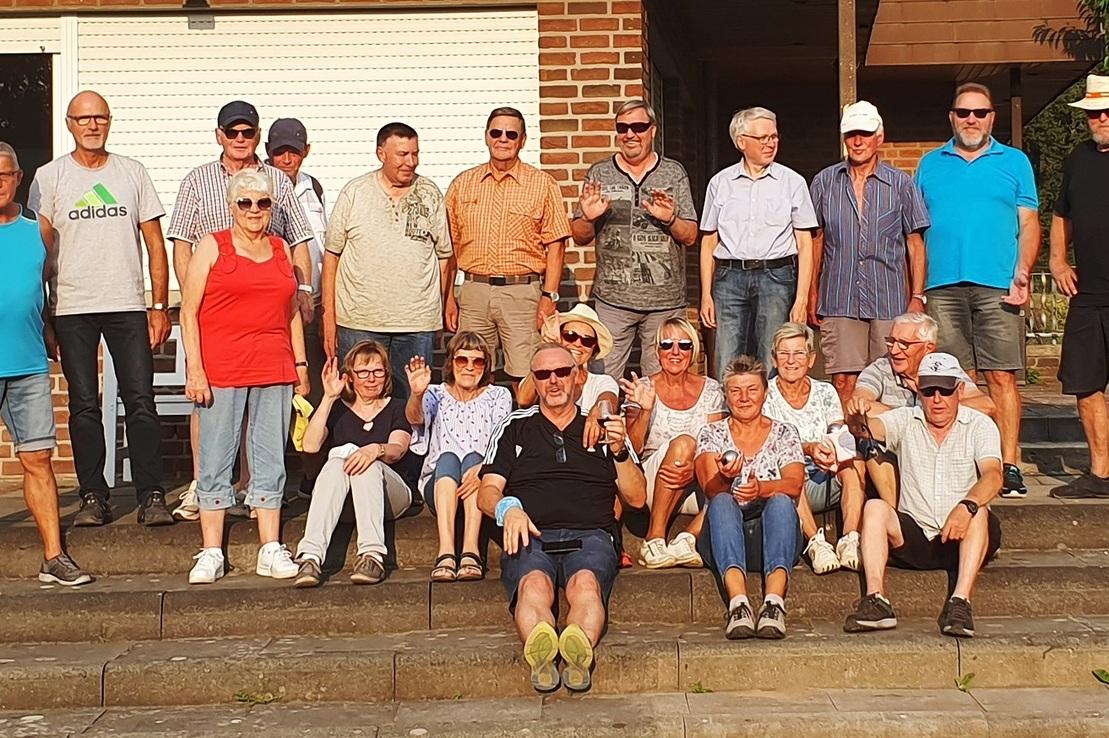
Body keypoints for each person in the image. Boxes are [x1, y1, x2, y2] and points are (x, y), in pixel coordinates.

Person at [28, 90, 173, 527]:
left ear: (109, 122)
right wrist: (45, 315)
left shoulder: (132, 172)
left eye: (100, 118)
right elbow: (41, 249)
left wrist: (159, 305)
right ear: (69, 124)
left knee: (140, 401)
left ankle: (151, 495)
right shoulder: (48, 177)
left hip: (127, 304)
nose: (92, 125)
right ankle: (94, 494)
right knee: (84, 405)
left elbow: (154, 244)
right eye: (83, 118)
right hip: (72, 306)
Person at [169, 100, 316, 521]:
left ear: (256, 136)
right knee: (210, 404)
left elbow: (299, 237)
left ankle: (255, 491)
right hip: (218, 311)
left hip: (267, 314)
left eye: (247, 133)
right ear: (219, 135)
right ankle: (205, 485)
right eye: (231, 133)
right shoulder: (198, 180)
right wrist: (197, 296)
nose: (239, 140)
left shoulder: (276, 182)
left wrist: (302, 288)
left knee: (265, 415)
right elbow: (182, 243)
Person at [477, 344, 646, 693]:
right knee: (534, 585)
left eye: (561, 373)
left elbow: (637, 497)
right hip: (530, 532)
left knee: (585, 584)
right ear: (534, 382)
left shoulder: (602, 429)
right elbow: (486, 493)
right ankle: (541, 652)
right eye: (543, 375)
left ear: (576, 378)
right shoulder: (514, 427)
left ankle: (577, 650)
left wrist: (619, 450)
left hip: (591, 532)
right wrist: (509, 509)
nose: (553, 381)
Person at [179, 170, 310, 585]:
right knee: (217, 455)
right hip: (223, 366)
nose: (255, 210)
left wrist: (301, 365)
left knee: (270, 454)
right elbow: (188, 311)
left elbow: (290, 311)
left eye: (263, 203)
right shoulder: (211, 246)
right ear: (233, 206)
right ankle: (211, 549)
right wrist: (195, 368)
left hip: (273, 365)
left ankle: (270, 547)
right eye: (246, 203)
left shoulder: (280, 247)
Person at [915, 82, 1041, 499]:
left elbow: (1029, 224)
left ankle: (1008, 463)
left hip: (997, 286)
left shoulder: (1015, 162)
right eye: (964, 112)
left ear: (993, 117)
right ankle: (966, 463)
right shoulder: (929, 164)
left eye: (980, 113)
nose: (972, 119)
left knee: (1001, 377)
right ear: (951, 116)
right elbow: (913, 233)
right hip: (942, 286)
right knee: (955, 380)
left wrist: (1022, 272)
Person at [844, 353, 1003, 638]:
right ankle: (876, 599)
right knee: (875, 508)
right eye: (929, 391)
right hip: (916, 534)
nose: (937, 399)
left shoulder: (980, 425)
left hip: (962, 532)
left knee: (978, 511)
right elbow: (868, 429)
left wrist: (966, 506)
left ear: (960, 391)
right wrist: (856, 418)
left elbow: (994, 475)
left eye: (945, 390)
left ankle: (961, 601)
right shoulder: (907, 418)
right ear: (920, 391)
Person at [0, 141, 91, 585]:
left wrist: (52, 329)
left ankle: (53, 558)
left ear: (19, 178)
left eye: (5, 173)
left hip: (28, 364)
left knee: (38, 459)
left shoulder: (39, 229)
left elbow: (47, 288)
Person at [808, 101, 930, 403]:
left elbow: (915, 242)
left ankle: (882, 448)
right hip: (839, 295)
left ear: (879, 137)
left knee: (891, 379)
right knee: (843, 379)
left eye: (864, 133)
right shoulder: (824, 181)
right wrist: (811, 292)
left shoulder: (901, 183)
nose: (858, 141)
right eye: (851, 134)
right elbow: (816, 240)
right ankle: (850, 447)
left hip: (889, 297)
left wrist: (917, 296)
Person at [444, 107, 571, 395]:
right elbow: (448, 247)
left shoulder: (542, 184)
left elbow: (556, 245)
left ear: (522, 140)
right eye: (496, 132)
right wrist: (448, 297)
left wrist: (549, 297)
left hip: (522, 293)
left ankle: (524, 437)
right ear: (486, 137)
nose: (503, 139)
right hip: (474, 291)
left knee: (526, 377)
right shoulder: (462, 184)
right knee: (471, 371)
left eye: (511, 134)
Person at [569, 99, 699, 380]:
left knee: (662, 381)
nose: (630, 134)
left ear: (653, 130)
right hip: (612, 303)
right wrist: (589, 217)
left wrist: (670, 219)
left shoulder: (673, 173)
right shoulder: (600, 173)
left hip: (664, 303)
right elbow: (579, 236)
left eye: (638, 127)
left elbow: (690, 236)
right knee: (602, 378)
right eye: (623, 128)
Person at [323, 122, 452, 399]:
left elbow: (444, 257)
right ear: (381, 153)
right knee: (359, 401)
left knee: (411, 402)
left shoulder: (429, 193)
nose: (411, 162)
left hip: (416, 323)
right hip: (360, 321)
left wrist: (438, 309)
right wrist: (329, 317)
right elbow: (332, 255)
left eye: (415, 154)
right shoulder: (354, 192)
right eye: (402, 154)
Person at [699, 106, 818, 374]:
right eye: (763, 138)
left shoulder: (792, 182)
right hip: (729, 277)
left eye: (774, 137)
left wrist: (801, 299)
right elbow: (708, 241)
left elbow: (805, 243)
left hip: (776, 277)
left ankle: (770, 415)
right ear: (741, 142)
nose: (770, 143)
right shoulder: (720, 183)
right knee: (726, 357)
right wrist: (706, 294)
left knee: (772, 356)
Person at [694, 356, 805, 640]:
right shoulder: (712, 433)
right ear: (726, 396)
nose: (744, 398)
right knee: (721, 502)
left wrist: (761, 489)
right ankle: (738, 604)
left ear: (765, 394)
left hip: (773, 532)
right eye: (736, 391)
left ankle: (774, 604)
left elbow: (794, 484)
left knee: (780, 501)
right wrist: (726, 477)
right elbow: (710, 487)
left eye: (752, 390)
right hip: (725, 535)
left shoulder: (784, 432)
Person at [293, 341, 415, 587]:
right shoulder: (337, 408)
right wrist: (328, 398)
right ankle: (311, 557)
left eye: (377, 371)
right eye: (363, 372)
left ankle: (372, 555)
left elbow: (398, 450)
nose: (371, 379)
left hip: (390, 495)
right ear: (349, 377)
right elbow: (310, 446)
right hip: (344, 501)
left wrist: (374, 450)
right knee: (336, 462)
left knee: (364, 462)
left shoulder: (397, 407)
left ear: (386, 375)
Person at [848, 312, 995, 504]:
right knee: (868, 442)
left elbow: (986, 406)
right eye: (891, 341)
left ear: (928, 348)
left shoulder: (944, 369)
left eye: (904, 344)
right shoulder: (881, 368)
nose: (894, 350)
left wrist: (931, 415)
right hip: (896, 449)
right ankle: (898, 515)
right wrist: (916, 417)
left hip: (941, 447)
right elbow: (860, 404)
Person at [620, 317, 726, 568]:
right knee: (685, 444)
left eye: (684, 345)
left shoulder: (711, 389)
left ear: (694, 351)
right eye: (667, 345)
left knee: (739, 473)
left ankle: (687, 539)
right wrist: (644, 410)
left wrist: (694, 471)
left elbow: (718, 443)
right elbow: (631, 450)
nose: (675, 352)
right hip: (651, 481)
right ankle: (654, 538)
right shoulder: (642, 387)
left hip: (696, 480)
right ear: (657, 352)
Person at [405, 332, 512, 582]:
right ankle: (445, 551)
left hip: (482, 483)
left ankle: (470, 551)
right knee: (448, 457)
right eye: (462, 360)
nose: (470, 367)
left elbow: (502, 443)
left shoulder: (499, 396)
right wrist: (417, 394)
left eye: (478, 361)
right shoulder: (435, 393)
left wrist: (483, 470)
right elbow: (415, 418)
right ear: (451, 362)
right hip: (440, 485)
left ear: (486, 366)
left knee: (474, 458)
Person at [1048, 74, 1109, 500]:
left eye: (1107, 111)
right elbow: (1061, 214)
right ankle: (1100, 473)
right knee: (1086, 386)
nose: (1100, 118)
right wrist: (1056, 259)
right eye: (1093, 112)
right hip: (1088, 296)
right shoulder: (1078, 159)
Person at [763, 323, 864, 574]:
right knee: (789, 469)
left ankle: (850, 538)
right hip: (789, 478)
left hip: (825, 473)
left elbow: (838, 432)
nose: (791, 360)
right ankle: (815, 543)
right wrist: (808, 449)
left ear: (811, 359)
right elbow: (769, 444)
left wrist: (831, 451)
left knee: (853, 463)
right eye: (784, 354)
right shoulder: (765, 394)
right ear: (774, 359)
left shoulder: (825, 391)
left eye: (799, 353)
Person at [266, 117, 329, 499]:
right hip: (274, 309)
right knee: (275, 399)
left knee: (314, 395)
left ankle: (311, 477)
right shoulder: (260, 189)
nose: (287, 158)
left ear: (306, 151)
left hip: (313, 307)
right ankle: (271, 481)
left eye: (294, 150)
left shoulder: (314, 188)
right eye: (279, 151)